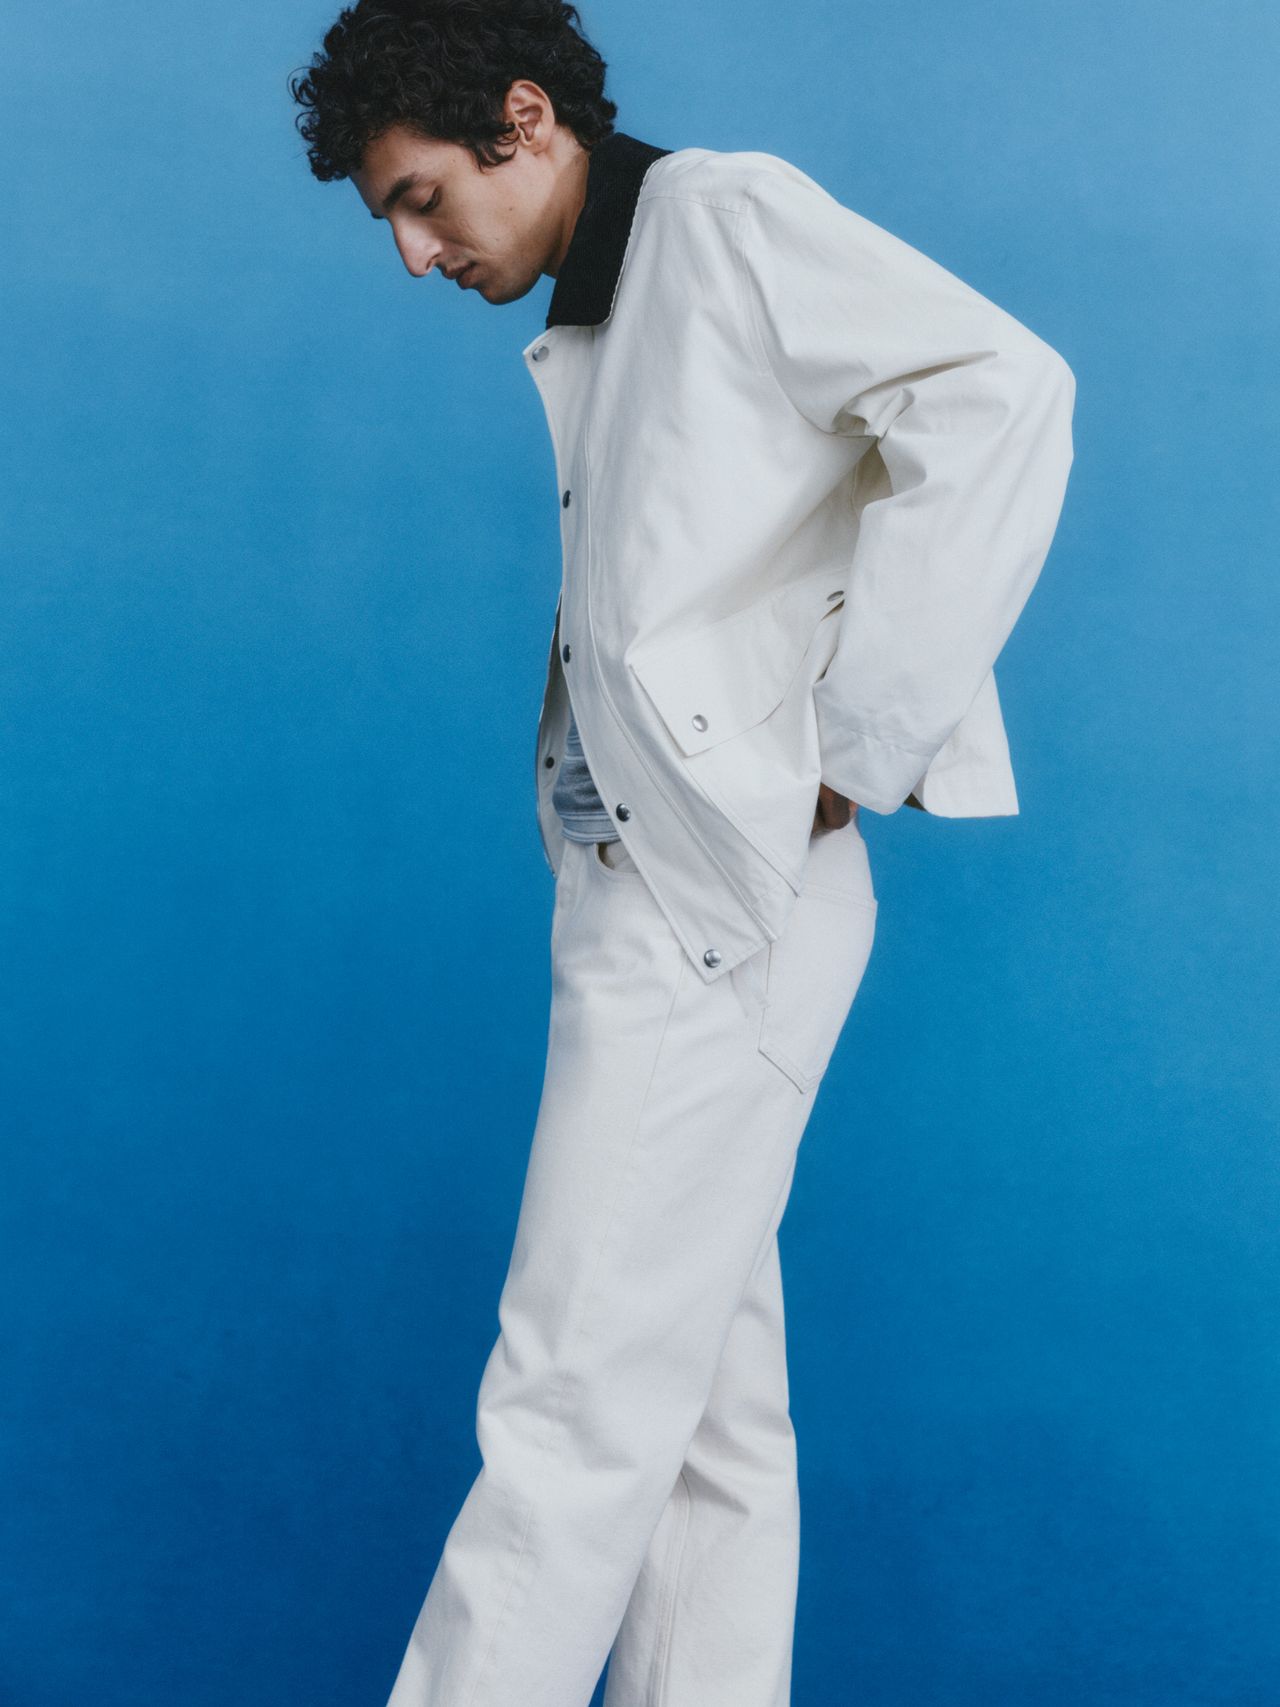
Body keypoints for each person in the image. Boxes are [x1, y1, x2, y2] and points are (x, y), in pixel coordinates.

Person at [289, 4, 1076, 1702]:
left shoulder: (717, 219)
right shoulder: (603, 305)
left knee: (568, 1401)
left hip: (711, 909)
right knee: (709, 1427)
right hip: (637, 891)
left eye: (424, 199)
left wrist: (854, 749)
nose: (418, 255)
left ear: (525, 118)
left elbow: (1006, 390)